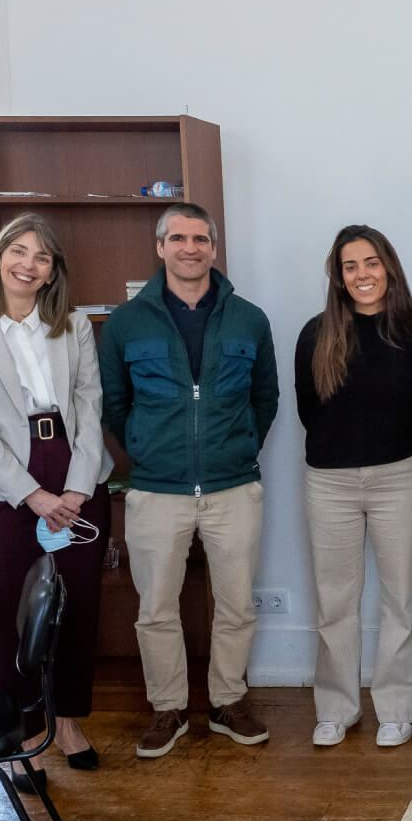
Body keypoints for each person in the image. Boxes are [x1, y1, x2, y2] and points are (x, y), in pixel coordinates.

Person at [99, 203, 279, 759]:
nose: (190, 248)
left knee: (237, 605)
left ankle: (229, 701)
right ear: (161, 247)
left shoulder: (250, 318)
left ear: (214, 248)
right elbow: (113, 404)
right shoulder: (127, 322)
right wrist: (151, 452)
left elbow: (265, 398)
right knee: (155, 607)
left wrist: (241, 447)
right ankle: (168, 708)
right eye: (178, 238)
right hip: (156, 490)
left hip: (233, 487)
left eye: (200, 238)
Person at [0, 213, 113, 782]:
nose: (28, 264)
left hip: (74, 469)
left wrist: (76, 488)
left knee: (76, 605)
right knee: (3, 613)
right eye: (17, 251)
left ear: (51, 271)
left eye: (41, 257)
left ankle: (66, 722)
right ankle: (23, 730)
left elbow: (91, 408)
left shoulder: (74, 325)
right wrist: (32, 494)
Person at [295, 225, 412, 749]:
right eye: (350, 266)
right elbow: (308, 409)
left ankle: (399, 708)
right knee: (335, 600)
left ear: (390, 268)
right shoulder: (316, 333)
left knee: (401, 597)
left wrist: (389, 439)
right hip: (328, 483)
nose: (363, 274)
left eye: (372, 262)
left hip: (397, 478)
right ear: (338, 276)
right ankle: (336, 708)